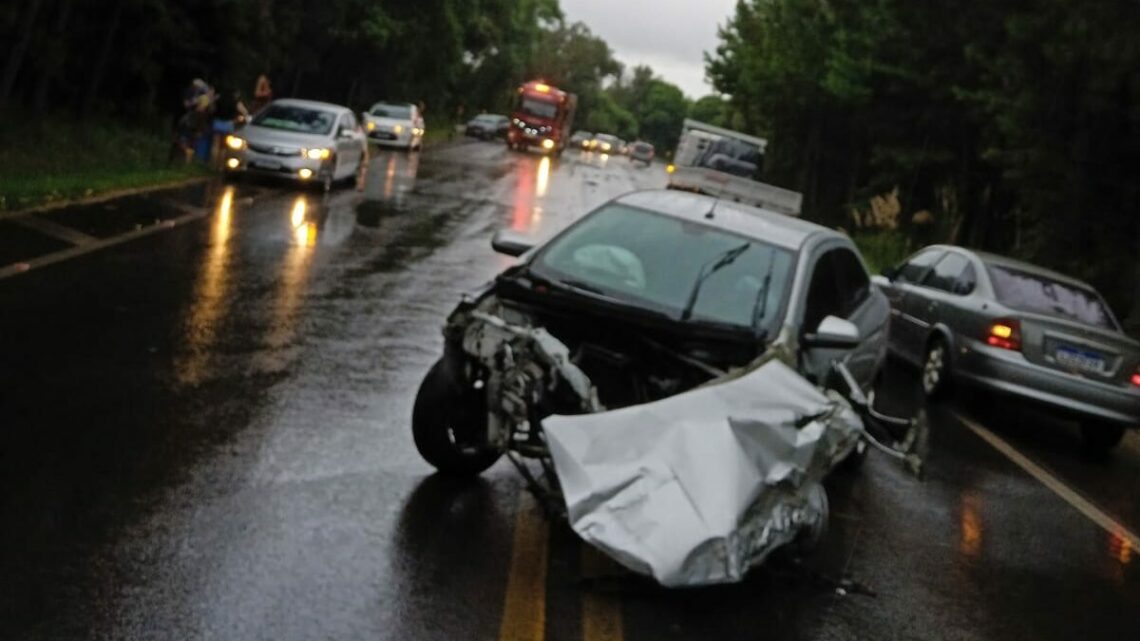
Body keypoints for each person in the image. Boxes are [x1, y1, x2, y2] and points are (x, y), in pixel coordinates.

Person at [211, 89, 248, 165]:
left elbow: (212, 109)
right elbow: (245, 112)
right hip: (228, 124)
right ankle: (220, 166)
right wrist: (237, 119)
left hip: (217, 122)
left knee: (215, 145)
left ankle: (213, 165)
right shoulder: (235, 102)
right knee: (224, 147)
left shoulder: (219, 99)